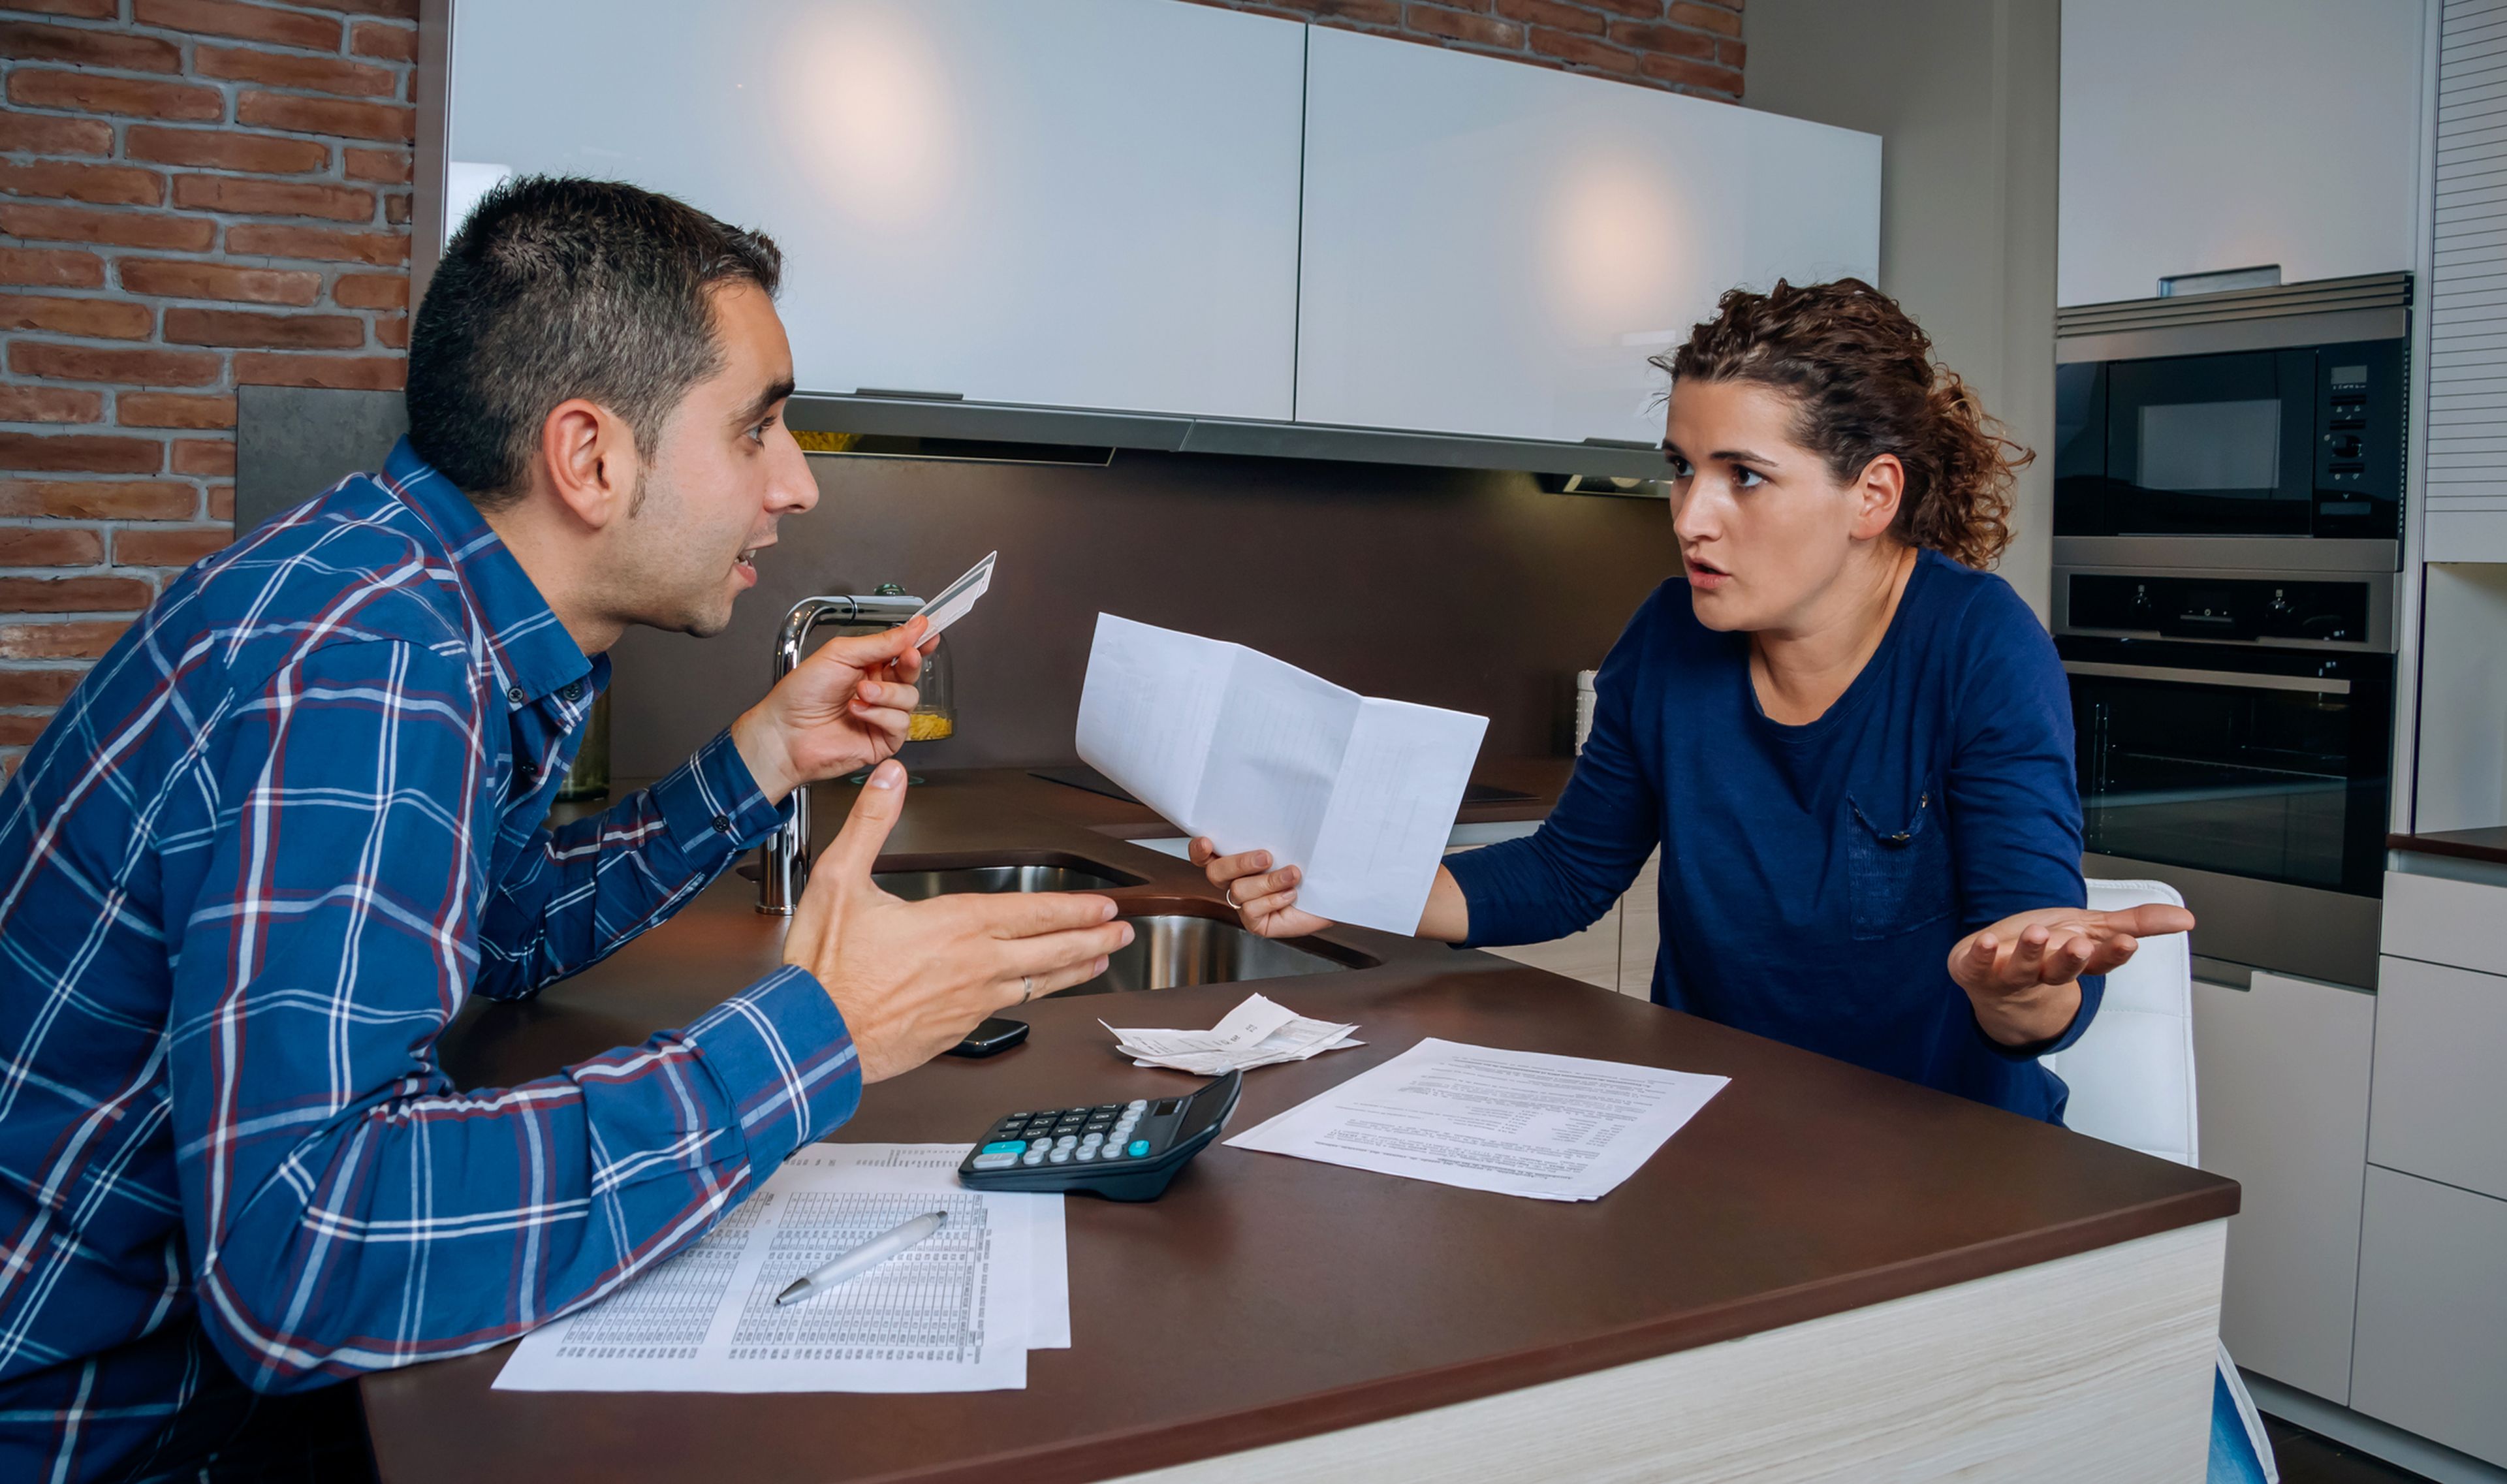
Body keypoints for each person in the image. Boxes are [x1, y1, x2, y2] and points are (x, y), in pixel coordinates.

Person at [0, 177, 1131, 1483]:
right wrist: (825, 1029)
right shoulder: (371, 670)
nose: (798, 483)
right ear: (590, 458)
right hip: (102, 1437)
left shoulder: (406, 596)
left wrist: (761, 756)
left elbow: (478, 936)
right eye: (759, 426)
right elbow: (304, 1256)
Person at [1197, 278, 2193, 1123]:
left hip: (1940, 1151)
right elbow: (1566, 874)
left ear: (1872, 496)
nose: (1689, 516)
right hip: (1721, 1128)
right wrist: (1341, 879)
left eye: (1744, 477)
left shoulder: (1979, 646)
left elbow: (2030, 967)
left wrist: (2015, 985)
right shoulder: (1672, 636)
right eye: (1682, 468)